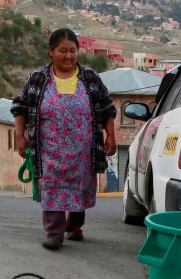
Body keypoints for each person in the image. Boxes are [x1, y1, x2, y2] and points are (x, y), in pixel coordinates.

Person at [11, 28, 117, 250]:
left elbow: (107, 108)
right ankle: (54, 232)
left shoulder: (89, 78)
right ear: (51, 51)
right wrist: (20, 136)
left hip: (83, 150)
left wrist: (111, 137)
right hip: (48, 150)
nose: (69, 56)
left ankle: (75, 226)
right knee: (51, 187)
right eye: (63, 51)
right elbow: (20, 108)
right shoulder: (38, 78)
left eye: (73, 51)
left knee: (79, 187)